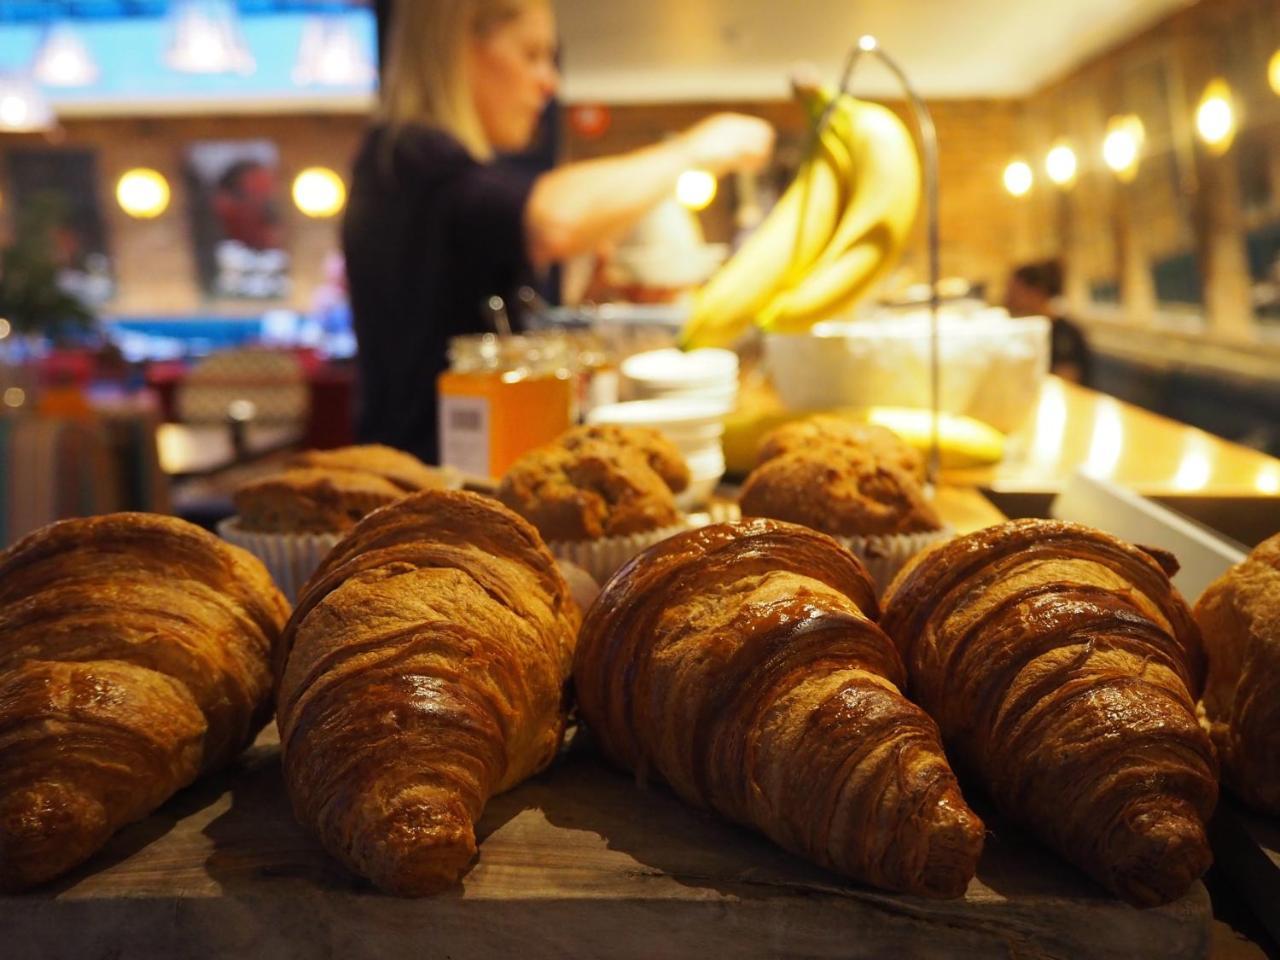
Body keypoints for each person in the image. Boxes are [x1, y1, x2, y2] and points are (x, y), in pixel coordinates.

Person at [343, 0, 774, 463]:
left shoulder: (425, 169)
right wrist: (698, 148)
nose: (550, 82)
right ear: (458, 48)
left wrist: (582, 308)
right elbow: (554, 222)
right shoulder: (411, 160)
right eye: (531, 55)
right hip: (426, 492)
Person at [1004, 259, 1092, 386]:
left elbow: (1066, 382)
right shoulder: (1023, 328)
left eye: (1014, 291)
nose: (1008, 297)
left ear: (1036, 292)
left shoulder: (1066, 334)